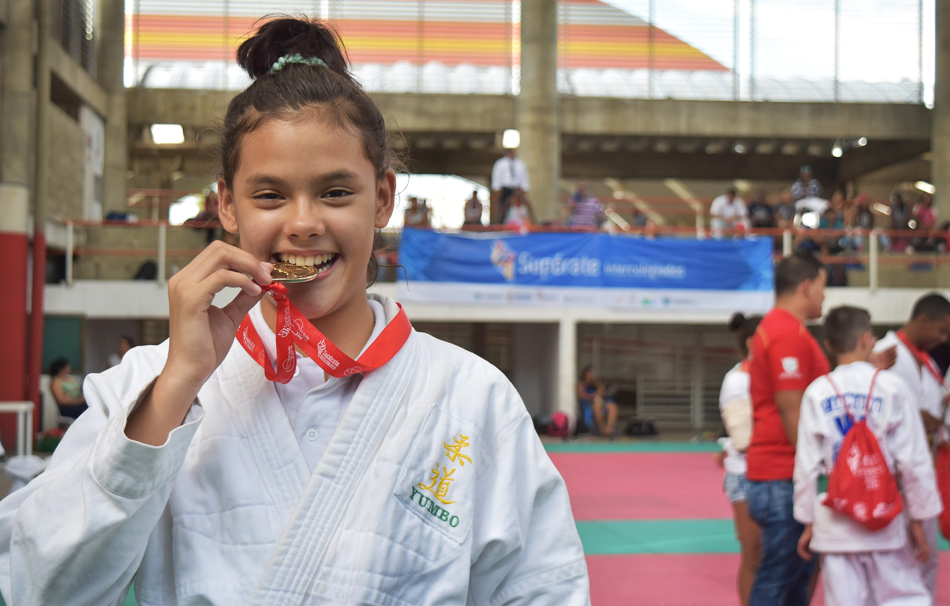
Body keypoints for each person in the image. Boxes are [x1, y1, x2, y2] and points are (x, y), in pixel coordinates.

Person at [0, 18, 590, 605]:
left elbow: (544, 591)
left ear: (382, 198)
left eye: (336, 192)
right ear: (227, 204)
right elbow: (38, 588)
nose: (304, 223)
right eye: (269, 195)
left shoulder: (474, 398)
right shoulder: (144, 389)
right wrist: (178, 384)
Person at [794, 306, 940, 606]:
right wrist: (920, 519)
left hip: (837, 520)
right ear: (866, 340)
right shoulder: (892, 387)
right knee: (902, 597)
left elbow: (806, 466)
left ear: (829, 344)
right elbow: (914, 460)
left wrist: (807, 521)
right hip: (884, 515)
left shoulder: (817, 392)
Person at [745, 252, 829, 605]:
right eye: (824, 288)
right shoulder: (786, 333)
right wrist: (812, 470)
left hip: (783, 473)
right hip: (784, 474)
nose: (825, 297)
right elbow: (790, 408)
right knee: (779, 578)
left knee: (795, 580)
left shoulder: (783, 329)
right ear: (807, 287)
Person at [872, 292, 950, 601]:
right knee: (894, 555)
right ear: (923, 320)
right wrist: (918, 417)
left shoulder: (927, 360)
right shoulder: (883, 352)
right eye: (941, 330)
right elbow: (870, 405)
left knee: (926, 555)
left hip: (921, 471)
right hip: (889, 475)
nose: (943, 338)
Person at [717, 312, 762, 606]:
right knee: (754, 554)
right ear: (752, 343)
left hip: (772, 473)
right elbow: (744, 439)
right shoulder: (736, 381)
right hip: (745, 475)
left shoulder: (766, 376)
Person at [490, 148, 530, 225]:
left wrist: (525, 188)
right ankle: (500, 223)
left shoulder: (520, 163)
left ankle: (523, 223)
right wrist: (497, 188)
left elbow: (524, 176)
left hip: (517, 188)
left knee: (522, 206)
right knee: (502, 207)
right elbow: (496, 176)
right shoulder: (500, 163)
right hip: (505, 188)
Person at [576, 366, 618, 438]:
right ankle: (602, 430)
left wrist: (597, 384)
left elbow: (602, 392)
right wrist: (593, 396)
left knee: (612, 406)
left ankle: (608, 428)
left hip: (599, 403)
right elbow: (582, 396)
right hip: (588, 405)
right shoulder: (581, 384)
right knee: (597, 407)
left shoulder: (595, 383)